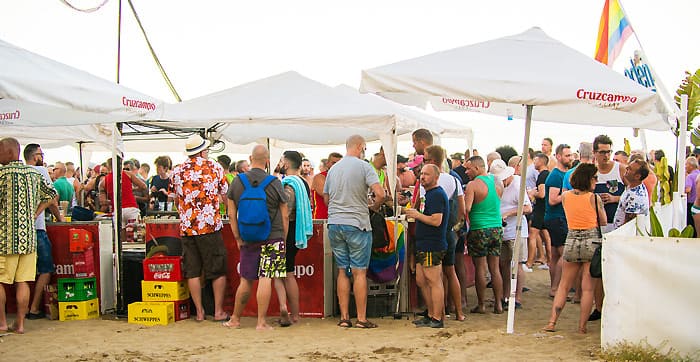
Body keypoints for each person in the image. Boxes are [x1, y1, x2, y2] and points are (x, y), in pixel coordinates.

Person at [324, 135, 384, 329]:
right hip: (357, 223)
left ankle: (344, 317)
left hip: (335, 223)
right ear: (359, 147)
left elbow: (326, 198)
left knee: (342, 270)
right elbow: (381, 193)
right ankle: (361, 318)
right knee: (359, 272)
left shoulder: (333, 169)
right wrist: (373, 206)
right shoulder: (364, 167)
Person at [226, 145, 288, 330]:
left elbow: (231, 214)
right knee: (266, 277)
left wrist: (237, 237)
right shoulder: (274, 182)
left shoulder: (238, 181)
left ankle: (235, 319)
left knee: (245, 280)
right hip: (273, 235)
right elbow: (285, 214)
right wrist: (282, 237)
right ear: (268, 161)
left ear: (250, 158)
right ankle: (261, 322)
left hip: (248, 237)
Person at [0, 137, 57, 334]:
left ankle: (2, 323)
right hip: (29, 236)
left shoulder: (1, 174)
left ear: (9, 152)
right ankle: (21, 323)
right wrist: (35, 212)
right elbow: (51, 194)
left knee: (1, 281)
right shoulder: (33, 173)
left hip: (5, 237)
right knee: (23, 281)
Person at [170, 135, 229, 323]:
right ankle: (218, 311)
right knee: (217, 269)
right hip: (210, 225)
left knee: (193, 271)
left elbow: (174, 199)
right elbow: (225, 194)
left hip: (187, 227)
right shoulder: (214, 167)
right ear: (204, 151)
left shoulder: (177, 171)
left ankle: (199, 312)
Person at [543, 163, 606, 334]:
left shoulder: (565, 196)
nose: (596, 181)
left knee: (564, 284)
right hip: (591, 240)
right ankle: (582, 326)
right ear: (589, 179)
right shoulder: (594, 198)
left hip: (571, 238)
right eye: (595, 177)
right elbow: (604, 221)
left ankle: (552, 322)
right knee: (588, 288)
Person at [420, 145, 465, 322]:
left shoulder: (432, 187)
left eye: (424, 160)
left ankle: (438, 314)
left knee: (435, 277)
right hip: (450, 232)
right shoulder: (454, 180)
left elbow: (426, 211)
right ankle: (458, 312)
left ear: (432, 162)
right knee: (449, 272)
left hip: (435, 234)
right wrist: (456, 227)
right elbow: (462, 208)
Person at [23, 144, 64, 320]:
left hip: (22, 230)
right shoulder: (40, 170)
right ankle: (33, 308)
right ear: (36, 156)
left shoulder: (21, 172)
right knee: (46, 269)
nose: (43, 156)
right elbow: (52, 199)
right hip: (38, 228)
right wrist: (60, 220)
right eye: (41, 153)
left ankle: (21, 311)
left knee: (22, 274)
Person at [404, 164, 448, 328]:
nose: (422, 177)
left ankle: (437, 317)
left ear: (436, 177)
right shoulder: (428, 194)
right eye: (421, 174)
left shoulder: (436, 194)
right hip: (423, 243)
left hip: (432, 243)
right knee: (422, 279)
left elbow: (436, 220)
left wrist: (417, 215)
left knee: (433, 280)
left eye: (427, 174)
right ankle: (431, 314)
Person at [275, 150, 313, 326]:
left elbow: (286, 212)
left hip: (287, 231)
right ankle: (296, 313)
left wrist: (281, 236)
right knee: (289, 273)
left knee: (280, 273)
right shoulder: (303, 183)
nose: (280, 163)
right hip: (297, 231)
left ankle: (285, 307)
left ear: (287, 164)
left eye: (282, 160)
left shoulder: (289, 184)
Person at [464, 155, 504, 314]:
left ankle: (481, 305)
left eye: (468, 168)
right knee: (495, 268)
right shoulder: (497, 183)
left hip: (479, 228)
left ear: (477, 168)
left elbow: (467, 208)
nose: (466, 171)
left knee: (480, 267)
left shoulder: (473, 185)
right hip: (496, 227)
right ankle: (498, 304)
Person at [491, 159, 531, 309]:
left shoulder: (518, 184)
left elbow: (528, 208)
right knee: (503, 264)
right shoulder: (497, 185)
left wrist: (508, 213)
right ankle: (505, 295)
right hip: (501, 231)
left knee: (517, 264)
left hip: (517, 230)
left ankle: (518, 297)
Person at [543, 144, 573, 298]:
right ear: (559, 156)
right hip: (557, 218)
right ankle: (557, 288)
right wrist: (569, 194)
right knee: (564, 254)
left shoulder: (563, 174)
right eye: (567, 155)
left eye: (571, 155)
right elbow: (553, 199)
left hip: (556, 218)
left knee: (555, 255)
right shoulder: (555, 176)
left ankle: (554, 288)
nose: (570, 158)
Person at [592, 135, 626, 233]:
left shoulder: (620, 169)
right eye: (602, 152)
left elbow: (632, 195)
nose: (606, 155)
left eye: (608, 152)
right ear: (594, 153)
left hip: (617, 224)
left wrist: (614, 198)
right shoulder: (591, 171)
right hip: (596, 225)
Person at [99, 157, 147, 223]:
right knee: (135, 231)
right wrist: (132, 189)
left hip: (117, 211)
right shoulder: (128, 174)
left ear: (108, 166)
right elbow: (144, 186)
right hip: (131, 208)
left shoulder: (103, 181)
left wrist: (113, 200)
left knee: (120, 232)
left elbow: (103, 202)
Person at [613, 159, 650, 229]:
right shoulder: (632, 187)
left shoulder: (634, 197)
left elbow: (628, 225)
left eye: (629, 169)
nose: (626, 168)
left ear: (637, 176)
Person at [310, 152, 342, 219]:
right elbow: (329, 196)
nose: (336, 165)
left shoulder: (343, 178)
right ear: (327, 163)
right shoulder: (319, 177)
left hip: (338, 218)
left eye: (339, 163)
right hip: (321, 218)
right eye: (333, 163)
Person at [684, 157, 700, 236]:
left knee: (692, 229)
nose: (685, 166)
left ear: (691, 165)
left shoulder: (690, 176)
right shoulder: (699, 174)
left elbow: (688, 189)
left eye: (686, 164)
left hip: (692, 205)